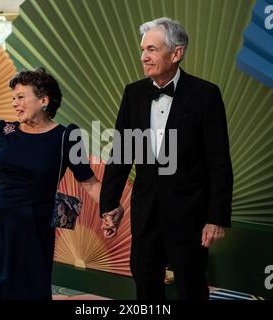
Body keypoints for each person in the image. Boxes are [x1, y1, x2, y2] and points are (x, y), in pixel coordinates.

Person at [99, 17, 233, 300]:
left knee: (191, 286)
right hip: (145, 213)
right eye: (142, 49)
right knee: (145, 283)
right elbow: (121, 153)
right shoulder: (133, 93)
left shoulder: (205, 94)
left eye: (151, 50)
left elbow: (218, 161)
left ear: (176, 53)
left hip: (190, 215)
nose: (143, 57)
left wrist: (216, 217)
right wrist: (109, 205)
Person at [0, 67, 101, 300]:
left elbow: (90, 184)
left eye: (21, 97)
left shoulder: (67, 136)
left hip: (37, 225)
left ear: (44, 100)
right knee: (0, 287)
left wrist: (111, 207)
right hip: (2, 224)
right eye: (13, 98)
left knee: (33, 287)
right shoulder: (4, 130)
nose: (15, 103)